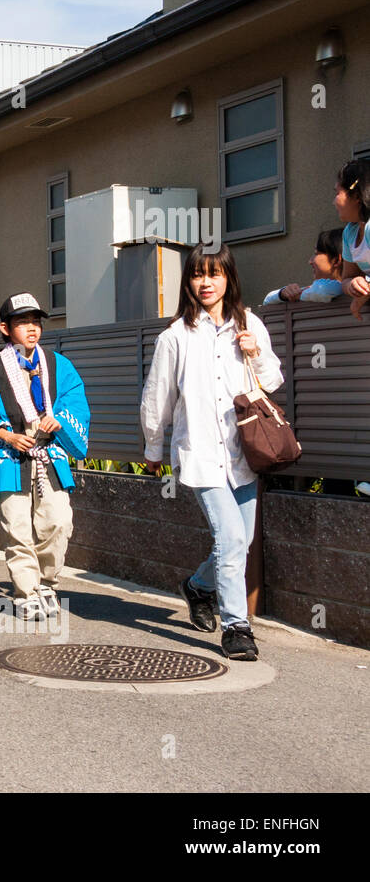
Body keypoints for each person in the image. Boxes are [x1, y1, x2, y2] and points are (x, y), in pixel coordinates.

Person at [140, 243, 283, 661]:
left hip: (245, 452)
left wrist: (254, 354)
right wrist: (153, 446)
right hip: (200, 453)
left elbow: (273, 381)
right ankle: (237, 627)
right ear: (188, 282)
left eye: (214, 274)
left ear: (228, 278)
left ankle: (199, 587)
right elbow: (157, 396)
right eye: (198, 274)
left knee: (241, 539)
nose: (206, 282)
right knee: (233, 537)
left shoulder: (249, 322)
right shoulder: (175, 336)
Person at [0, 294, 90, 619]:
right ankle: (26, 591)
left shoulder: (59, 364)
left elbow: (76, 401)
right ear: (5, 328)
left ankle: (47, 583)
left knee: (58, 522)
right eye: (23, 322)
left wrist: (59, 417)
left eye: (36, 322)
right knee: (17, 527)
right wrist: (4, 434)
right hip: (9, 457)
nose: (32, 329)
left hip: (51, 454)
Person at [262, 228, 345, 305]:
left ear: (336, 260)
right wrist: (283, 293)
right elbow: (267, 300)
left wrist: (298, 294)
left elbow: (323, 289)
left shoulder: (345, 288)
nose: (310, 261)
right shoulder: (313, 291)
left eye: (316, 254)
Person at [334, 159, 370, 319]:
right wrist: (352, 285)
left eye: (337, 193)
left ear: (356, 196)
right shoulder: (350, 232)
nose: (333, 201)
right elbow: (347, 277)